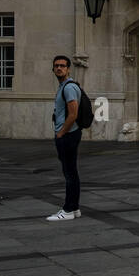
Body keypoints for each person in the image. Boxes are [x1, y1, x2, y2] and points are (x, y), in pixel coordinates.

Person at [48, 55, 82, 220]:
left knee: (69, 173)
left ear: (68, 69)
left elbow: (73, 113)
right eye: (56, 66)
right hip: (69, 134)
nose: (59, 68)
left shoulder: (68, 88)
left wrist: (61, 133)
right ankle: (74, 208)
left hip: (68, 135)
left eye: (62, 66)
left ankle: (68, 209)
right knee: (71, 172)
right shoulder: (64, 86)